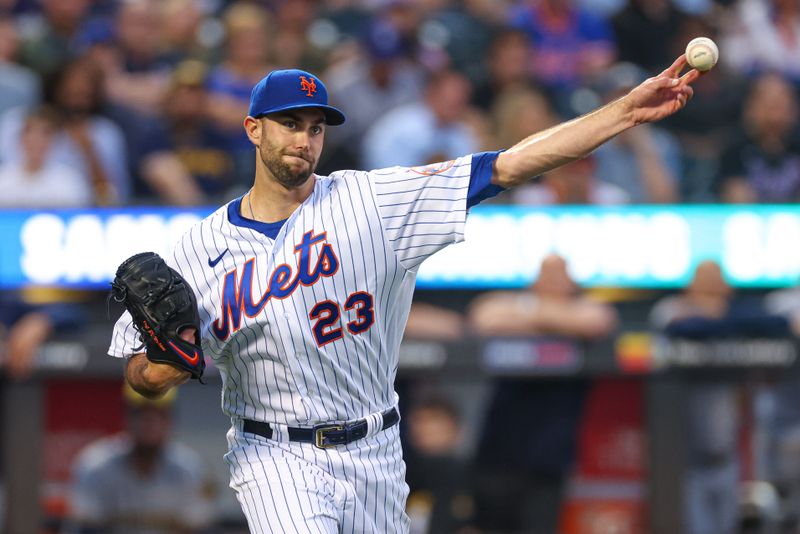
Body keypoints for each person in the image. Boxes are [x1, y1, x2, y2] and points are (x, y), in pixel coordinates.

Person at [109, 55, 700, 532]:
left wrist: (623, 112)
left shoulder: (374, 202)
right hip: (274, 454)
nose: (305, 140)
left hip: (376, 449)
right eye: (291, 123)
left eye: (316, 128)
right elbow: (140, 377)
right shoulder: (196, 251)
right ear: (253, 129)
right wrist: (168, 363)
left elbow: (510, 165)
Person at [467, 254, 617, 532]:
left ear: (572, 281)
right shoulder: (512, 302)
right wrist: (555, 321)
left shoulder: (586, 307)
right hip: (498, 450)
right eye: (546, 274)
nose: (553, 281)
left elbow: (594, 322)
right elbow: (485, 316)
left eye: (560, 274)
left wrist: (530, 318)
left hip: (550, 455)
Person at [67, 384, 216, 534]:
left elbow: (201, 527)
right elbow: (84, 528)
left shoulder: (190, 470)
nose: (150, 424)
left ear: (170, 420)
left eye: (158, 415)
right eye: (141, 414)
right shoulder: (96, 466)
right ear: (127, 418)